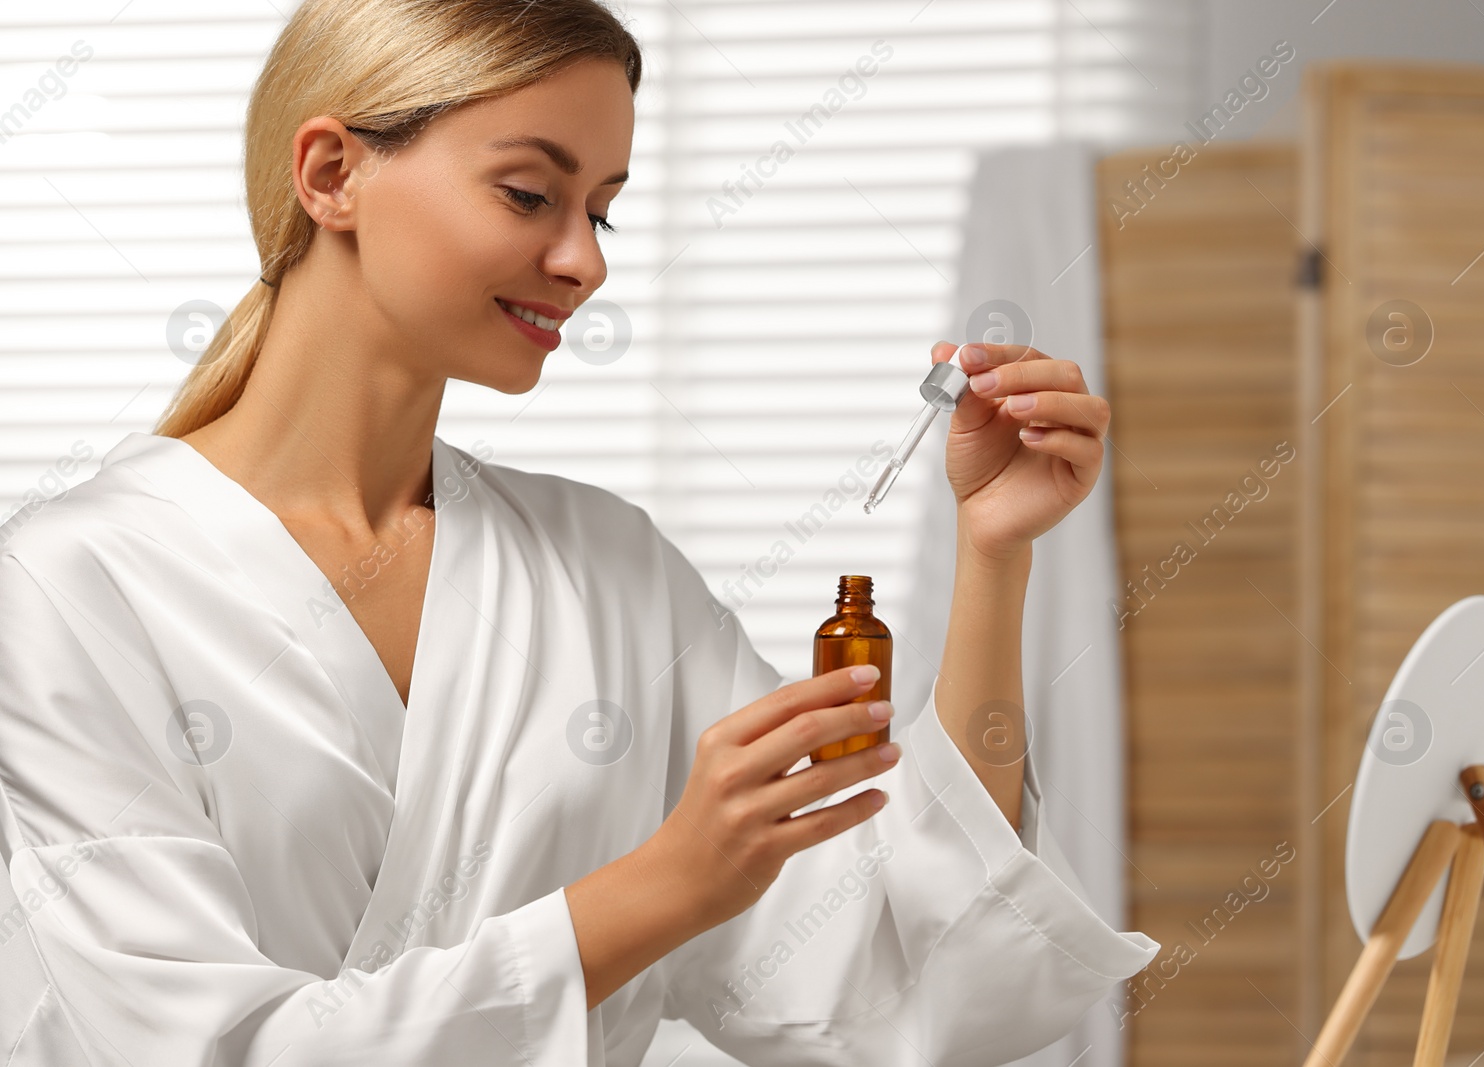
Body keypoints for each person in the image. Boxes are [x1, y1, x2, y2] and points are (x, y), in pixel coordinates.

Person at [0, 1, 1157, 1063]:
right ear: (332, 170)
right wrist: (661, 885)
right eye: (527, 193)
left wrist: (995, 554)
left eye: (602, 208)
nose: (586, 261)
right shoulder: (69, 585)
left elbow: (896, 971)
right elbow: (198, 1045)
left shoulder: (608, 568)